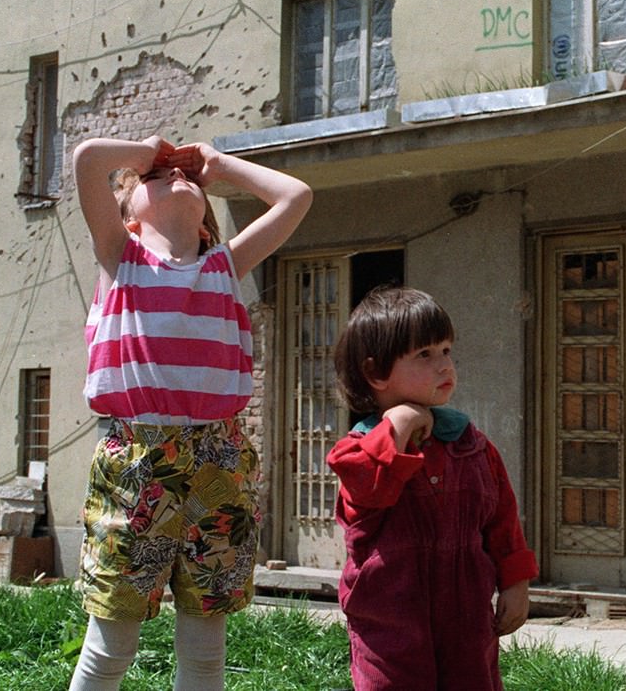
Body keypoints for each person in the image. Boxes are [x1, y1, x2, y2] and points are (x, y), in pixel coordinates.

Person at [69, 133, 312, 691]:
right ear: (128, 218)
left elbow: (296, 195)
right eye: (155, 180)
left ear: (207, 223)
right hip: (137, 462)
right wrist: (145, 151)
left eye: (186, 180)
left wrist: (219, 164)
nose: (175, 177)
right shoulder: (121, 258)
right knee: (112, 646)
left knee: (205, 650)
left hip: (220, 460)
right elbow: (87, 160)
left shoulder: (225, 267)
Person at [327, 286, 539, 691]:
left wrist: (516, 584)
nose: (444, 366)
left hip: (467, 614)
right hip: (389, 619)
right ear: (376, 373)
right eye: (424, 355)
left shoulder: (471, 444)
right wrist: (400, 423)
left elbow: (502, 521)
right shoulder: (356, 449)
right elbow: (370, 491)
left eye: (446, 351)